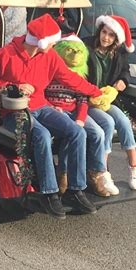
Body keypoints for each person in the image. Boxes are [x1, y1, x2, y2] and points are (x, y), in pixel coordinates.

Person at [0, 13, 102, 219]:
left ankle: (75, 190)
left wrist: (96, 92)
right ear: (42, 42)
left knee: (77, 132)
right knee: (42, 135)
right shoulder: (5, 55)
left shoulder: (49, 56)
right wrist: (13, 86)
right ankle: (48, 192)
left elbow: (69, 78)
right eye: (52, 42)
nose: (54, 46)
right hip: (13, 111)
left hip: (41, 106)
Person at [44, 34, 111, 197]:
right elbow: (41, 93)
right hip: (55, 110)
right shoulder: (50, 71)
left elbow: (82, 100)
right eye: (69, 50)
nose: (74, 55)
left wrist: (81, 119)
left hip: (74, 110)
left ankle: (96, 172)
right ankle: (63, 172)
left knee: (98, 133)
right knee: (72, 133)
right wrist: (51, 107)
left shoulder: (79, 76)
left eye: (77, 51)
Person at [83, 15, 136, 191]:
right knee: (107, 122)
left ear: (116, 39)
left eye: (110, 35)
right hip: (90, 100)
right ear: (99, 30)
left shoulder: (118, 53)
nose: (105, 38)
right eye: (104, 32)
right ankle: (103, 170)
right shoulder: (87, 46)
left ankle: (134, 164)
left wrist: (123, 80)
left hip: (107, 99)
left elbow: (125, 71)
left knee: (122, 121)